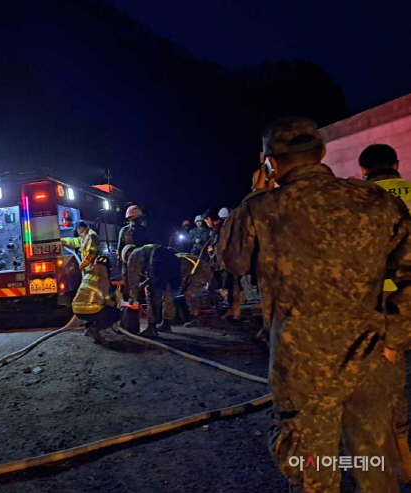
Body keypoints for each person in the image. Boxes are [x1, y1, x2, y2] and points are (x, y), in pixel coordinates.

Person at [218, 116, 411, 492]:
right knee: (374, 460)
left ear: (269, 162)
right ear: (322, 152)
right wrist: (395, 339)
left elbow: (231, 261)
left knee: (314, 467)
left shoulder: (263, 209)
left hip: (302, 367)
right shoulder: (376, 201)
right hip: (372, 355)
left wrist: (253, 195)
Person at [359, 143, 411, 479]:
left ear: (364, 170)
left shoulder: (358, 199)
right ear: (396, 164)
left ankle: (402, 455)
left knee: (392, 379)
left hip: (386, 303)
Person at [123, 243, 181, 336]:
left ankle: (151, 328)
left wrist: (132, 297)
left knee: (152, 297)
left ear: (126, 254)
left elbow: (133, 278)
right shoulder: (147, 250)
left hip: (160, 265)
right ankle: (166, 324)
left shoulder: (133, 255)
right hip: (173, 262)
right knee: (168, 296)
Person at [72, 255, 119, 343]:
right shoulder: (103, 276)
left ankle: (88, 327)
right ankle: (94, 328)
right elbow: (107, 298)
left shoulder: (88, 274)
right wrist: (115, 303)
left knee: (95, 308)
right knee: (115, 313)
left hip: (76, 310)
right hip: (90, 310)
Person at [117, 205, 150, 277]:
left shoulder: (145, 230)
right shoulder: (124, 231)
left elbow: (149, 248)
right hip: (128, 267)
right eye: (138, 218)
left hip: (141, 266)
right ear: (130, 219)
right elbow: (119, 250)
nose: (140, 220)